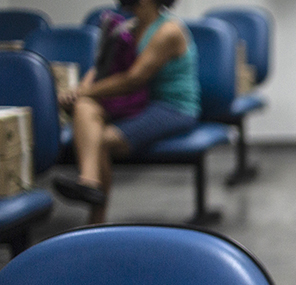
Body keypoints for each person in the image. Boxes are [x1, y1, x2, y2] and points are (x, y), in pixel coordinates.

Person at [53, 0, 199, 224]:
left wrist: (85, 92)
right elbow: (101, 68)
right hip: (138, 103)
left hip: (172, 107)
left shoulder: (169, 30)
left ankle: (96, 219)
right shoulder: (127, 28)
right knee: (84, 106)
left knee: (102, 138)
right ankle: (89, 182)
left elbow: (134, 79)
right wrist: (79, 92)